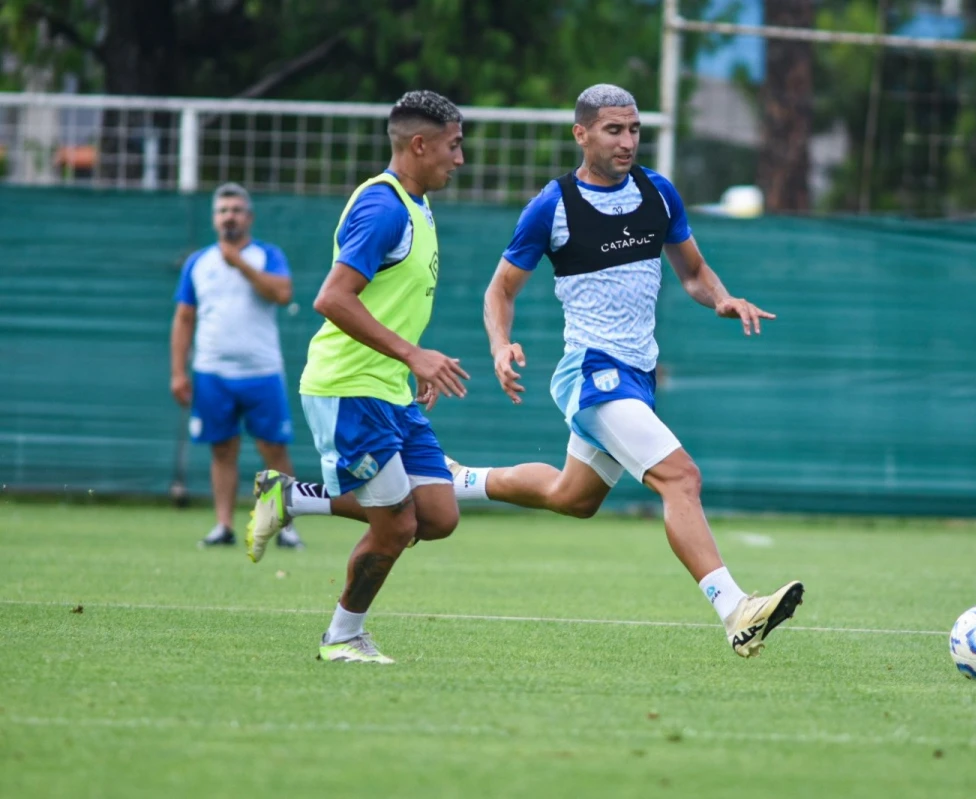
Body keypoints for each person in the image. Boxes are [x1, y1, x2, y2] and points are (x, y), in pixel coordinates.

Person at [446, 84, 804, 658]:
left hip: (637, 376)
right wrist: (499, 344)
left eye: (635, 129)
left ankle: (456, 479)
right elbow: (500, 290)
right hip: (592, 372)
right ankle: (735, 608)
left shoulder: (658, 193)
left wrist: (722, 298)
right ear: (581, 133)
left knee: (573, 497)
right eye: (614, 130)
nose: (628, 141)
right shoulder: (553, 205)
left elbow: (692, 272)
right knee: (681, 477)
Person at [246, 90, 470, 664]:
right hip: (350, 388)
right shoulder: (384, 207)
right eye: (453, 145)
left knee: (438, 515)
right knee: (395, 526)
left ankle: (288, 497)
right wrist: (413, 355)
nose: (460, 158)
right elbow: (332, 298)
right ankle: (342, 636)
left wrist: (407, 359)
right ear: (419, 145)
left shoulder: (417, 204)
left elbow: (387, 301)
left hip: (387, 387)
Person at [169, 182, 304, 550]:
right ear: (214, 219)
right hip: (212, 371)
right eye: (222, 210)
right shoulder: (198, 263)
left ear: (249, 217)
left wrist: (240, 264)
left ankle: (285, 527)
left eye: (236, 210)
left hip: (261, 370)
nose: (229, 216)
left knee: (274, 449)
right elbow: (184, 318)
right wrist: (179, 371)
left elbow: (282, 293)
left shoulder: (267, 255)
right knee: (222, 449)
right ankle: (224, 525)